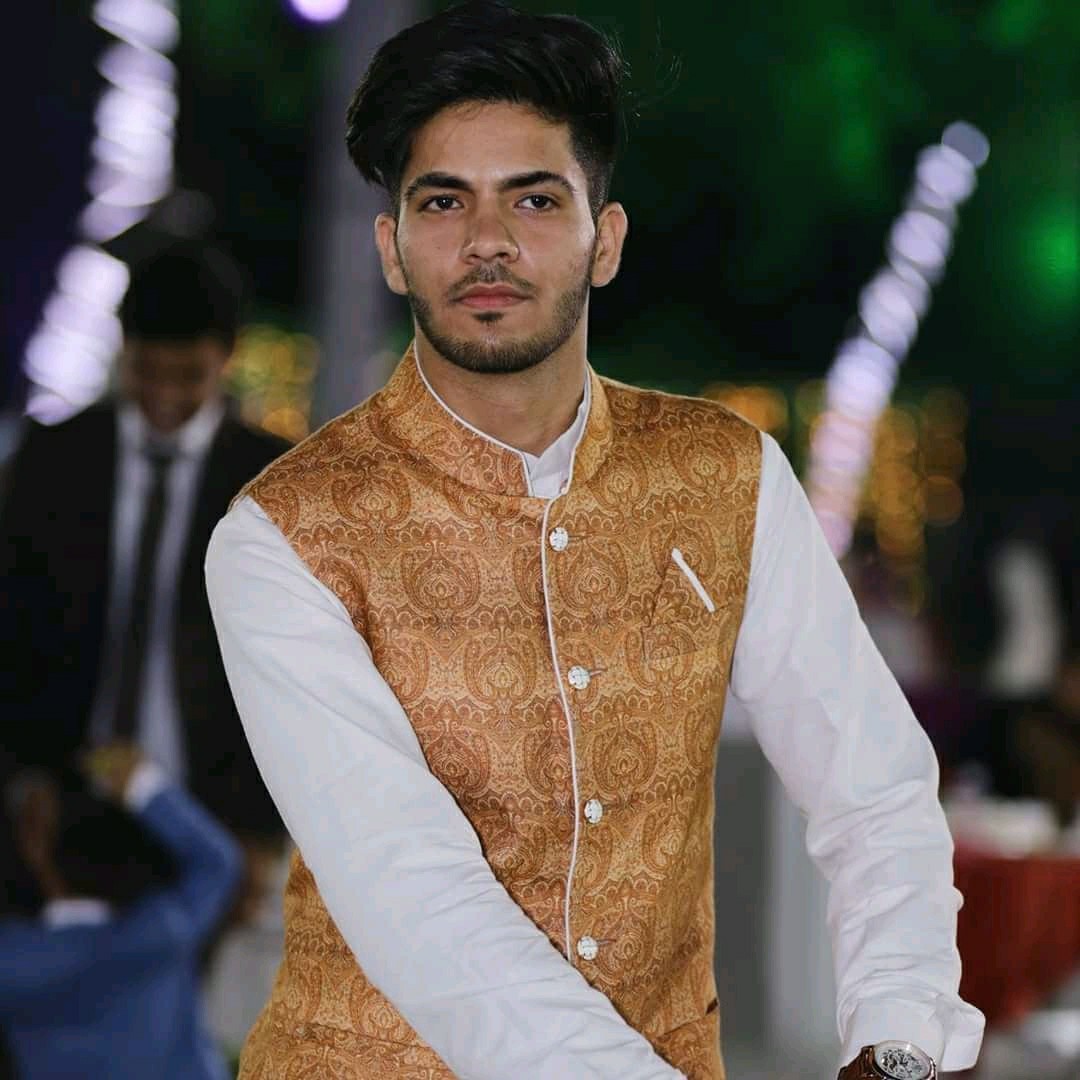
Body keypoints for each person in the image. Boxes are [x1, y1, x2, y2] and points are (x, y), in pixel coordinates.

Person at [205, 3, 986, 1077]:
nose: (487, 241)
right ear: (391, 250)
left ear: (604, 240)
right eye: (443, 201)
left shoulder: (725, 476)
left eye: (534, 199)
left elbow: (874, 787)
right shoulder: (287, 535)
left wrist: (900, 1039)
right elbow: (413, 893)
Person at [0, 240, 290, 920]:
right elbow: (13, 634)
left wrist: (262, 832)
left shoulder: (276, 480)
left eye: (188, 376)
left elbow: (293, 669)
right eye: (147, 373)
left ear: (227, 356)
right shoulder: (52, 460)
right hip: (60, 806)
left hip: (210, 819)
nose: (165, 398)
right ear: (123, 351)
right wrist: (20, 781)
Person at [0, 743, 241, 1079]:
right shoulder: (162, 931)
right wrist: (144, 785)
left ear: (37, 852)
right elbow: (218, 863)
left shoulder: (14, 962)